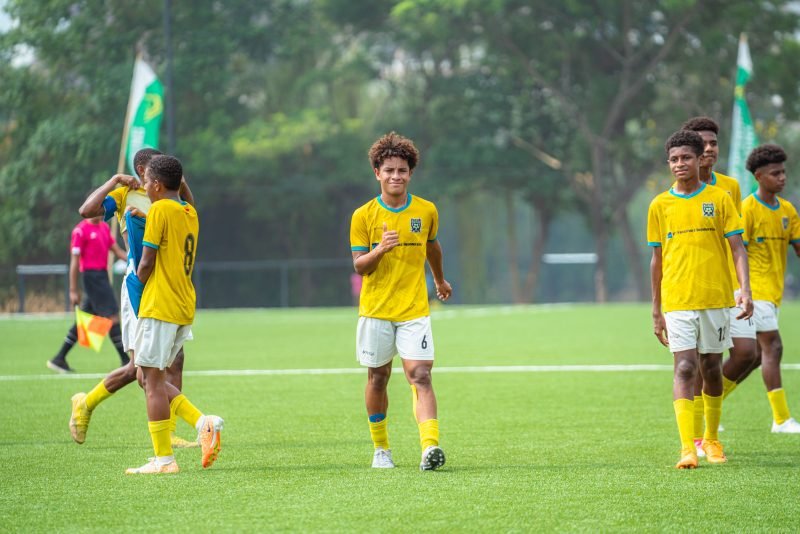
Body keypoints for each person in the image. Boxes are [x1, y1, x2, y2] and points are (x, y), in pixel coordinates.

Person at [68, 148, 197, 448]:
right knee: (140, 369)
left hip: (166, 285)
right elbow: (87, 211)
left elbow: (189, 212)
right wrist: (114, 180)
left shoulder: (165, 193)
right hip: (140, 285)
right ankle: (85, 403)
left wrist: (180, 180)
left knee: (174, 361)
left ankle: (170, 432)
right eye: (153, 165)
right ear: (141, 170)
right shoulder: (126, 194)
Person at [647, 130, 753, 469]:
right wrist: (656, 310)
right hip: (677, 300)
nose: (680, 164)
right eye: (674, 159)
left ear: (698, 159)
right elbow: (657, 259)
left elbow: (738, 249)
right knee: (684, 367)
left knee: (711, 368)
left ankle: (711, 439)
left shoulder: (719, 198)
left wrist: (745, 289)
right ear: (669, 163)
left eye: (686, 158)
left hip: (715, 297)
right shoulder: (659, 205)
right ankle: (687, 448)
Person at [350, 132, 452, 470]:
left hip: (413, 310)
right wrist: (380, 249)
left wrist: (439, 280)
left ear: (410, 173)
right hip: (376, 311)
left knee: (420, 374)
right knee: (378, 378)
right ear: (377, 173)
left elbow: (432, 247)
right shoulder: (363, 216)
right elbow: (359, 266)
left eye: (402, 171)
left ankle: (429, 448)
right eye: (389, 170)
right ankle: (381, 449)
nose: (396, 176)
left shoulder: (426, 210)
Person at [125, 154, 223, 474]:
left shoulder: (159, 210)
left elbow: (146, 262)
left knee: (152, 382)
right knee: (146, 377)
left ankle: (164, 460)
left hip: (160, 304)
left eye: (146, 181)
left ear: (156, 184)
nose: (143, 187)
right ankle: (202, 422)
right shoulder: (189, 212)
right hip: (182, 305)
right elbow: (184, 201)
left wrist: (135, 284)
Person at [680, 116, 753, 456]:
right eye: (702, 143)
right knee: (697, 360)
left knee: (747, 353)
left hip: (729, 286)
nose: (709, 148)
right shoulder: (677, 192)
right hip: (696, 289)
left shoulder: (729, 188)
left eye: (713, 143)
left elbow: (737, 241)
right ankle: (699, 435)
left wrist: (744, 284)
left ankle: (710, 408)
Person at [727, 144, 800, 433]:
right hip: (753, 292)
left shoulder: (787, 210)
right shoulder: (747, 209)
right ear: (758, 176)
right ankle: (781, 419)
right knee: (774, 346)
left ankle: (708, 402)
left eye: (783, 172)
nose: (782, 178)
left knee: (755, 356)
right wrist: (743, 291)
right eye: (775, 173)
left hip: (773, 293)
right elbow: (738, 253)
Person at [47, 216, 128, 373]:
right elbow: (75, 262)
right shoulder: (80, 231)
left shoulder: (104, 228)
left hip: (102, 276)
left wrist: (135, 261)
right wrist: (73, 290)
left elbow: (118, 251)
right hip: (92, 277)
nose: (100, 212)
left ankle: (59, 359)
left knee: (84, 320)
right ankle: (126, 361)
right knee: (112, 317)